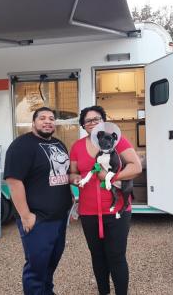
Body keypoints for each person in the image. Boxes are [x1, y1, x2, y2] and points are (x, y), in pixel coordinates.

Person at [69, 106, 142, 295]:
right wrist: (75, 179)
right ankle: (103, 291)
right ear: (83, 126)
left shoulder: (116, 140)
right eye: (88, 120)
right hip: (89, 212)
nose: (93, 123)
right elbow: (73, 173)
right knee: (98, 257)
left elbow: (136, 167)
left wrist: (111, 178)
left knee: (116, 256)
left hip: (117, 210)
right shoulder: (77, 146)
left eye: (97, 119)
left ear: (104, 121)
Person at [4, 106, 72, 295]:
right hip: (38, 220)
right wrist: (26, 216)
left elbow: (61, 174)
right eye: (42, 118)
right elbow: (14, 181)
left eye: (51, 118)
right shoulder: (21, 145)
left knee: (51, 262)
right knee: (36, 267)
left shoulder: (59, 144)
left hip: (59, 218)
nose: (48, 121)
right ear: (33, 122)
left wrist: (70, 198)